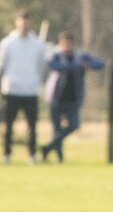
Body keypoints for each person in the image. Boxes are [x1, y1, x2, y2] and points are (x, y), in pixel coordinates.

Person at [0, 10, 48, 162]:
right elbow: (0, 65)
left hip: (30, 89)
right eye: (21, 20)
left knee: (32, 126)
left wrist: (34, 80)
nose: (24, 24)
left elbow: (41, 65)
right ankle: (7, 154)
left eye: (27, 21)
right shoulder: (8, 43)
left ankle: (32, 154)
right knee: (9, 125)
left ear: (30, 23)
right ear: (16, 22)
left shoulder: (37, 44)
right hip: (11, 89)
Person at [43, 32, 105, 162]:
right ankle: (59, 157)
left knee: (74, 125)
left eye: (69, 43)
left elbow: (99, 64)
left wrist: (87, 65)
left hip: (72, 98)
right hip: (56, 97)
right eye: (64, 43)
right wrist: (76, 67)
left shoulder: (80, 56)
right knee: (56, 128)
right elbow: (54, 66)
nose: (67, 46)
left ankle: (48, 147)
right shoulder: (56, 55)